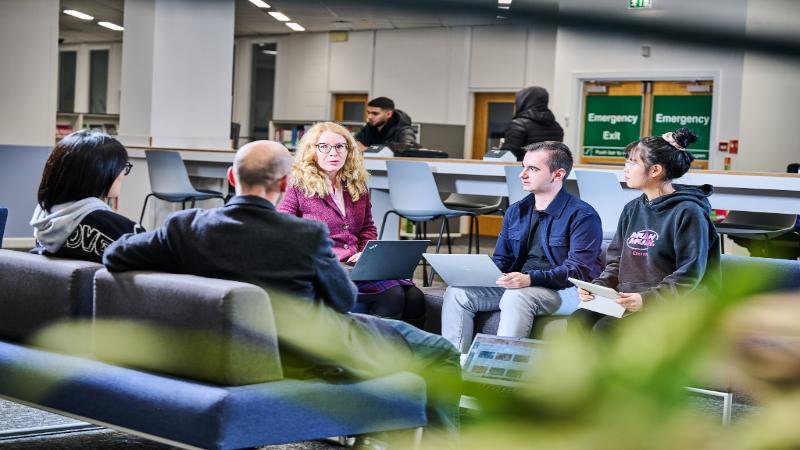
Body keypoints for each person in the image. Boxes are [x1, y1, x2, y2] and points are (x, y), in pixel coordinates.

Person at [103, 141, 460, 442]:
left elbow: (115, 255)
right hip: (309, 355)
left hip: (221, 349)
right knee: (442, 352)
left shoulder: (187, 226)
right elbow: (342, 300)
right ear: (286, 182)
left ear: (231, 177)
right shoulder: (303, 235)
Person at [441, 141, 604, 353]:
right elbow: (503, 260)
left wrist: (530, 279)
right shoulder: (516, 211)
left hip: (568, 290)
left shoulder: (582, 215)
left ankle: (499, 368)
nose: (522, 174)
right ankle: (453, 363)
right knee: (457, 293)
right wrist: (479, 273)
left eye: (533, 169)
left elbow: (577, 270)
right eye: (523, 167)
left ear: (558, 174)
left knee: (517, 296)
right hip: (522, 283)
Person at [569, 128, 721, 333]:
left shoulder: (689, 212)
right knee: (579, 319)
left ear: (655, 170)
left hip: (675, 305)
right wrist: (598, 288)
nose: (625, 168)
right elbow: (616, 262)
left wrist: (647, 300)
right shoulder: (632, 209)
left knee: (607, 330)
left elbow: (689, 274)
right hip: (630, 299)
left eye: (633, 163)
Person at [278, 122, 426, 328]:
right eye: (324, 147)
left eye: (340, 146)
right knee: (393, 295)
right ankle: (379, 347)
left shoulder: (356, 185)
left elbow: (367, 228)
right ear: (312, 150)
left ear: (348, 151)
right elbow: (282, 229)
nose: (333, 153)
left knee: (415, 297)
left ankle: (412, 346)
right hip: (324, 265)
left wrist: (366, 253)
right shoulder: (297, 185)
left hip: (357, 265)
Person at [30, 130, 141, 263]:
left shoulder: (44, 217)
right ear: (100, 172)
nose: (123, 173)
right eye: (122, 167)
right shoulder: (121, 229)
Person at [500, 86, 564, 161]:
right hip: (547, 168)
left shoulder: (518, 125)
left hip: (522, 168)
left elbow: (506, 156)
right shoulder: (557, 127)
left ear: (522, 101)